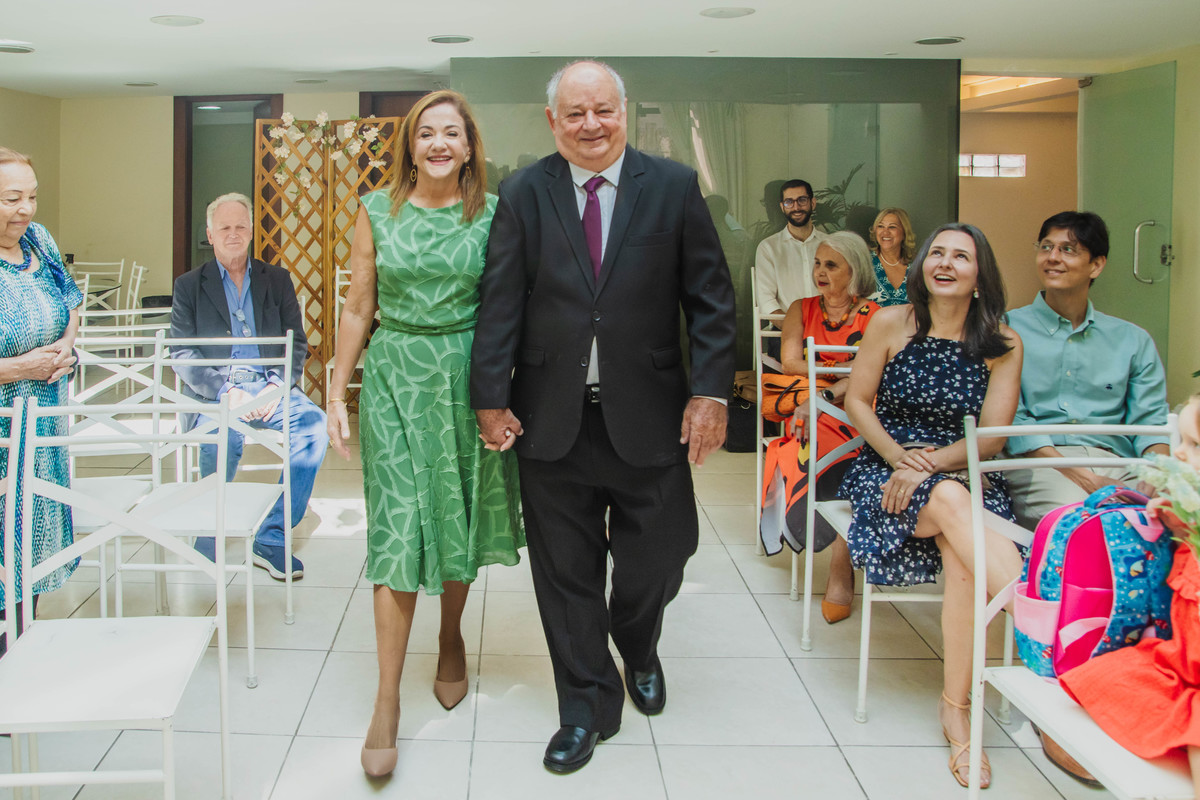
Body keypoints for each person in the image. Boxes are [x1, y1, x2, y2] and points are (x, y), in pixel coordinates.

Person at [470, 61, 736, 775]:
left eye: (604, 110)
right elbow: (501, 301)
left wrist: (710, 391)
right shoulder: (525, 192)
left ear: (624, 111)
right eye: (575, 113)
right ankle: (586, 705)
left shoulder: (674, 187)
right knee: (565, 574)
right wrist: (490, 397)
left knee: (663, 552)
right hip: (550, 417)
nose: (591, 125)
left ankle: (637, 640)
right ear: (552, 120)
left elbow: (710, 298)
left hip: (649, 416)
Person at [325, 90, 524, 780]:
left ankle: (449, 637)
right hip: (394, 379)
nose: (439, 144)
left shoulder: (494, 215)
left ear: (470, 147)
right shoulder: (376, 210)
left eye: (452, 133)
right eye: (426, 133)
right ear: (410, 145)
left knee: (455, 517)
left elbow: (508, 311)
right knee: (397, 528)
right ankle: (386, 701)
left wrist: (503, 397)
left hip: (468, 382)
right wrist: (337, 389)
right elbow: (357, 305)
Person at [838, 223, 1024, 788]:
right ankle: (1047, 625)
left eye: (960, 257)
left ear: (979, 275)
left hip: (962, 469)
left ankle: (956, 710)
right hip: (885, 471)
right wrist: (900, 457)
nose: (945, 263)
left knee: (965, 563)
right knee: (948, 500)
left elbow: (989, 439)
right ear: (921, 266)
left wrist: (931, 462)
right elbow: (856, 401)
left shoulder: (1004, 343)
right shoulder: (890, 322)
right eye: (936, 253)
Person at [170, 192, 327, 580]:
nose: (234, 233)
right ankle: (210, 531)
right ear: (210, 233)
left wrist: (274, 387)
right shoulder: (189, 285)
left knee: (313, 427)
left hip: (270, 386)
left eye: (241, 225)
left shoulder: (277, 279)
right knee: (217, 438)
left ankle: (272, 536)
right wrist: (226, 390)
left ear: (253, 230)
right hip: (216, 391)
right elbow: (183, 353)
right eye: (225, 227)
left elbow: (297, 344)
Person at [1058, 393, 1200, 796]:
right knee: (1104, 678)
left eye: (1195, 446)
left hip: (1189, 673)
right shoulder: (1191, 512)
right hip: (1180, 663)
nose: (1180, 454)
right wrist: (1176, 520)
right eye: (1182, 441)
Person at [1005, 210, 1169, 529]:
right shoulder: (1007, 330)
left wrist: (1155, 475)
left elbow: (1151, 422)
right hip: (1042, 464)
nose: (1052, 257)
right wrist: (1085, 477)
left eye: (1068, 249)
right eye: (1046, 247)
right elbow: (1011, 419)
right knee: (1088, 524)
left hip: (1120, 462)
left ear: (1096, 264)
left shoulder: (1133, 340)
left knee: (1175, 519)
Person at [768, 231, 880, 623]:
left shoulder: (877, 316)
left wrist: (830, 385)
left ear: (855, 270)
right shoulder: (802, 308)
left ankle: (840, 562)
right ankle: (833, 544)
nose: (820, 271)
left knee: (855, 445)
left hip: (858, 406)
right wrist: (846, 373)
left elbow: (873, 375)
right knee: (811, 436)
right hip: (810, 403)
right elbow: (790, 363)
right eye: (817, 263)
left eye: (831, 265)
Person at [0, 146, 81, 652]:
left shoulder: (39, 241)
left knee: (31, 547)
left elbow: (70, 300)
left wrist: (66, 348)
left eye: (31, 196)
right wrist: (19, 368)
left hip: (41, 426)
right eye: (12, 198)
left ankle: (20, 662)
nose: (26, 209)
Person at [754, 178, 828, 317]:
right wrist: (793, 328)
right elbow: (766, 303)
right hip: (784, 330)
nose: (796, 207)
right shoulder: (768, 248)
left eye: (802, 200)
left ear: (813, 203)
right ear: (782, 207)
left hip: (827, 329)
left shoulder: (830, 244)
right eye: (789, 202)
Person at [868, 207, 916, 306]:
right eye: (880, 226)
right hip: (873, 321)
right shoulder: (864, 262)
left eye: (892, 227)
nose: (885, 232)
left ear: (904, 233)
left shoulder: (916, 267)